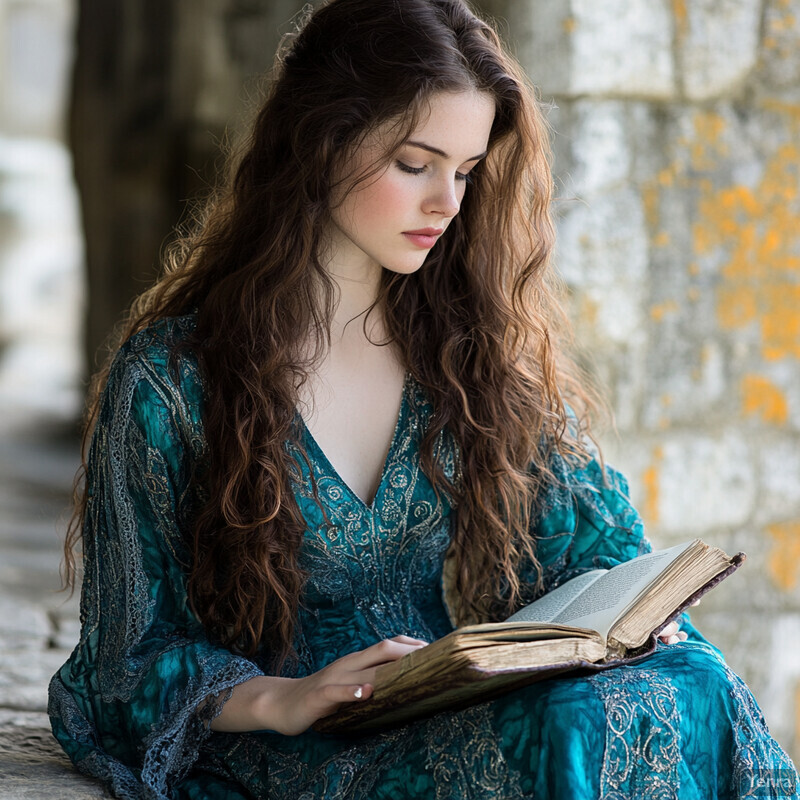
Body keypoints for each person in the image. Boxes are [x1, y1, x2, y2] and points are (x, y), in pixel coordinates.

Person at [49, 0, 798, 797]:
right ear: (321, 140)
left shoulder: (466, 351)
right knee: (569, 726)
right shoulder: (171, 382)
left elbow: (589, 547)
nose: (448, 202)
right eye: (416, 164)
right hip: (302, 744)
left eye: (467, 172)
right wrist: (284, 696)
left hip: (450, 704)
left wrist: (642, 615)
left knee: (693, 676)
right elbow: (125, 660)